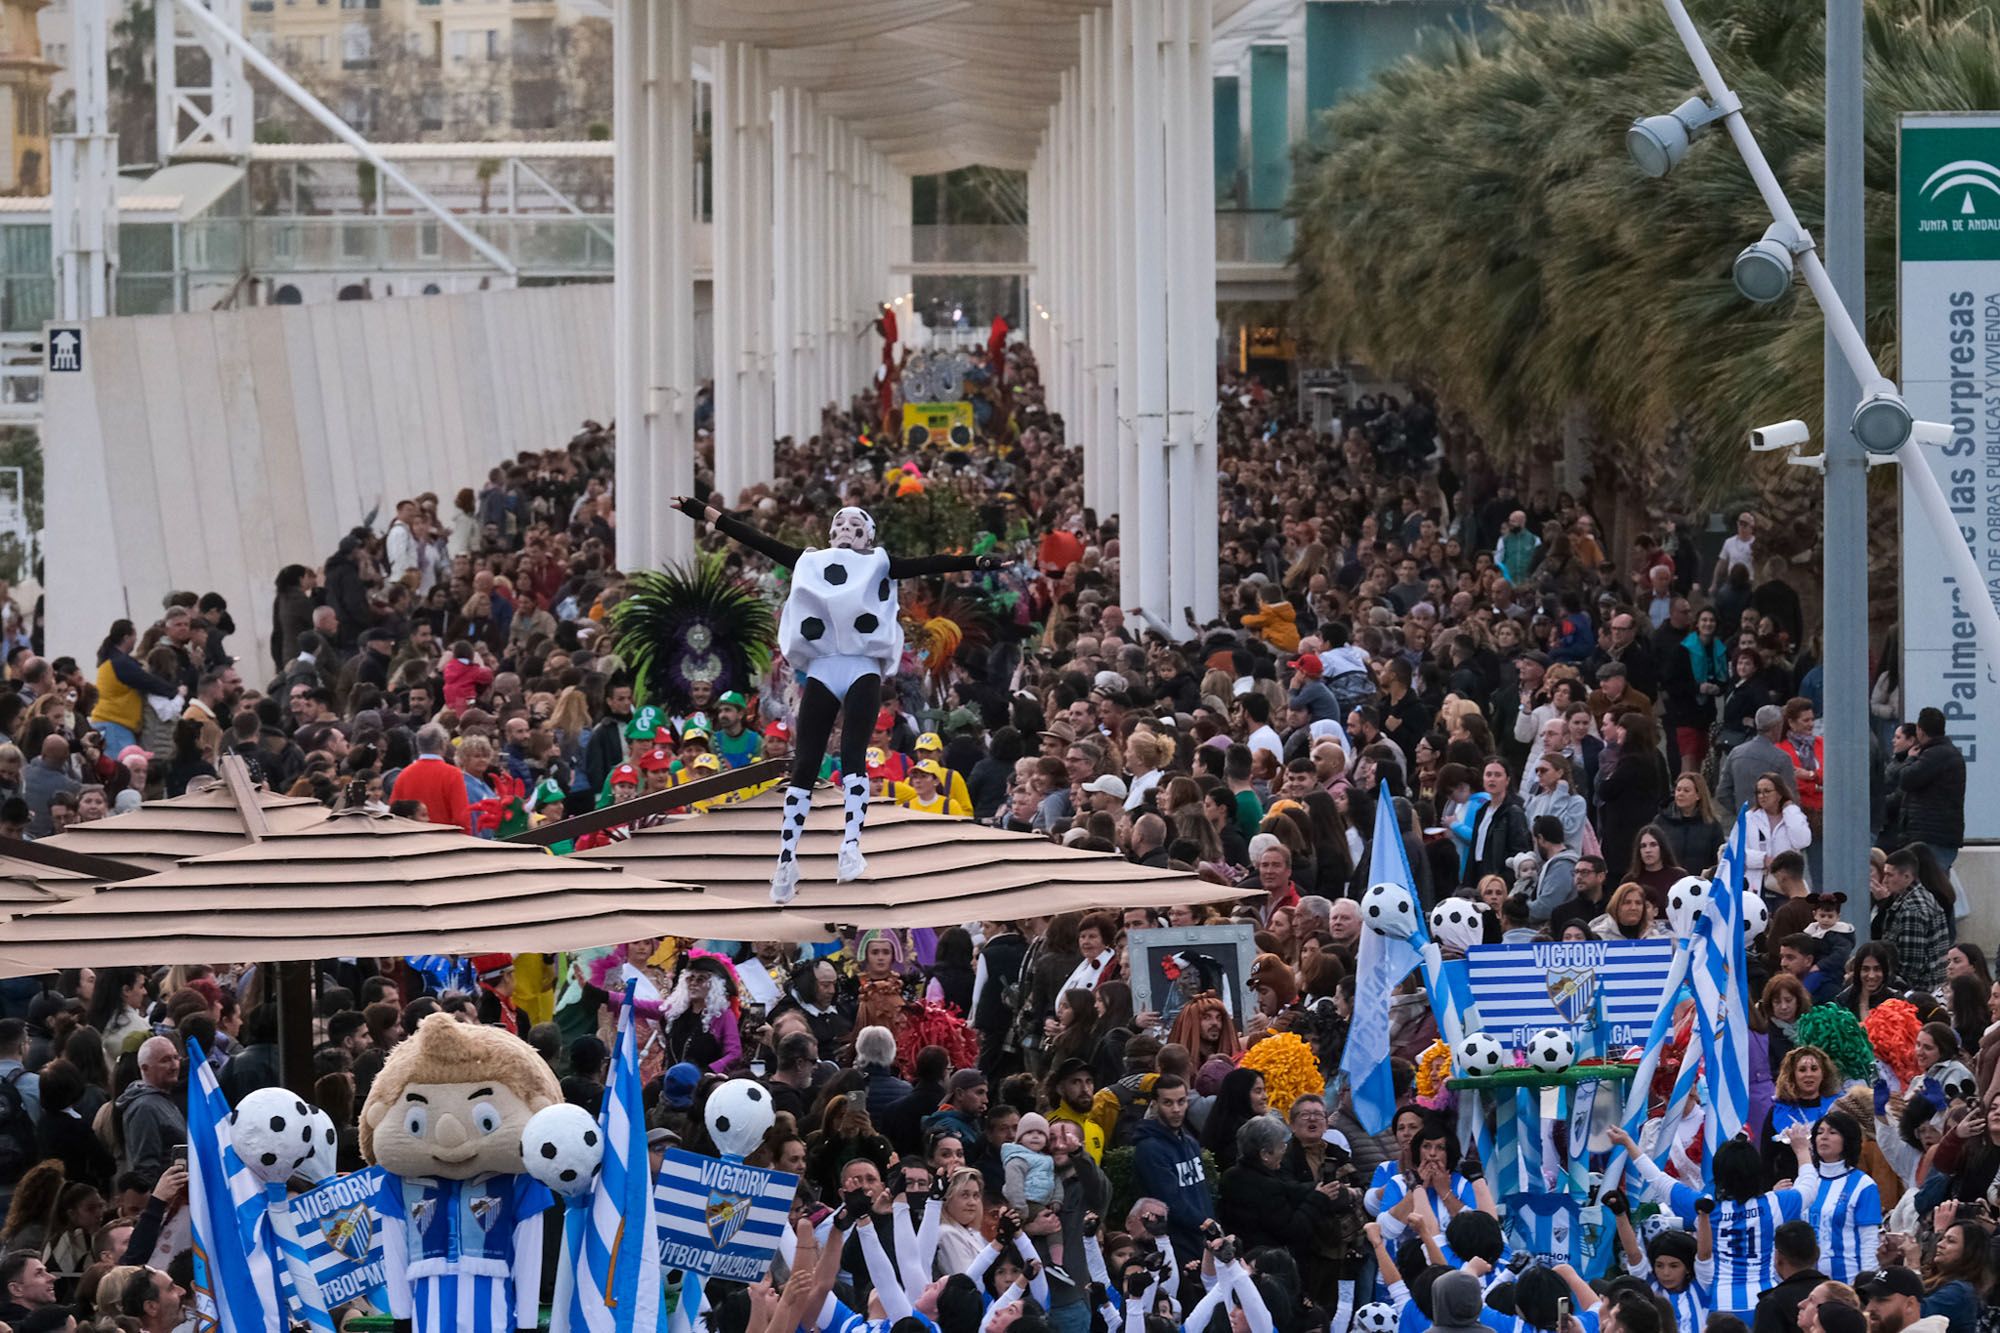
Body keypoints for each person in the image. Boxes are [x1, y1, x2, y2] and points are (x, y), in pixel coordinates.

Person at [1129, 1074, 1211, 1264]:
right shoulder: (1149, 1149)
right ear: (1155, 1104)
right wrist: (1206, 1224)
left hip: (1202, 1239)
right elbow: (1171, 1201)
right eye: (1168, 1103)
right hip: (1175, 1246)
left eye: (1181, 1102)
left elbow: (1202, 1193)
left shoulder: (1190, 1142)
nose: (1176, 1109)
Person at [1896, 708, 1966, 870]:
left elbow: (1906, 779)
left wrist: (1910, 759)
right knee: (1938, 885)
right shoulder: (1948, 752)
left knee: (1931, 885)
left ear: (1920, 730)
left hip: (1930, 836)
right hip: (1939, 835)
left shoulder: (1934, 755)